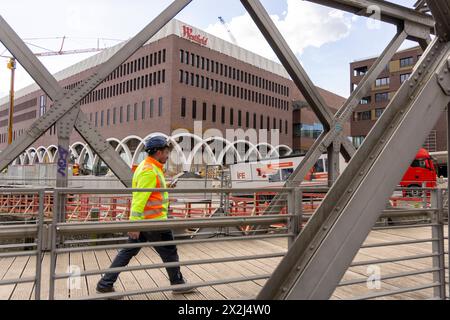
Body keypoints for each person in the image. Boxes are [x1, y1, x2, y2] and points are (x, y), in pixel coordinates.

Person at [96, 136, 196, 295]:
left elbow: (150, 193)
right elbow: (139, 199)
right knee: (169, 252)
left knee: (128, 251)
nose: (167, 155)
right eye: (165, 152)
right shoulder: (149, 171)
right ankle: (177, 284)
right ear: (157, 152)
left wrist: (167, 185)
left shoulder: (148, 166)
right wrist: (134, 224)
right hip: (154, 223)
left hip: (145, 222)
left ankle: (105, 284)